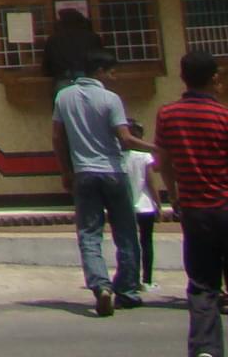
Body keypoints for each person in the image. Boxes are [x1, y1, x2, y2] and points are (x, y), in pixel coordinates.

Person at [155, 48, 228, 357]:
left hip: (194, 211)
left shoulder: (167, 115)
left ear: (183, 78)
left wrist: (175, 196)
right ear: (215, 78)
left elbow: (163, 161)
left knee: (203, 283)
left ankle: (206, 348)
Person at [53, 50, 153, 316]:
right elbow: (125, 138)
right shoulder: (111, 99)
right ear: (99, 72)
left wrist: (66, 171)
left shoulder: (63, 97)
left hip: (83, 174)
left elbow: (58, 138)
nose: (114, 77)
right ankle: (128, 290)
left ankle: (100, 286)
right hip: (113, 171)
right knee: (126, 233)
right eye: (111, 72)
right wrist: (158, 148)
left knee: (89, 234)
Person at [124, 119, 162, 293]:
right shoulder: (145, 157)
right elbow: (151, 182)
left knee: (128, 244)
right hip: (145, 206)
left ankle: (130, 278)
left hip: (126, 207)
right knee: (147, 242)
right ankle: (146, 280)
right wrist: (158, 203)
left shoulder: (120, 157)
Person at [44, 7, 107, 87]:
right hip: (89, 77)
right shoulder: (93, 37)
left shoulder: (54, 39)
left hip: (64, 78)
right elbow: (100, 58)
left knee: (65, 99)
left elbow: (48, 62)